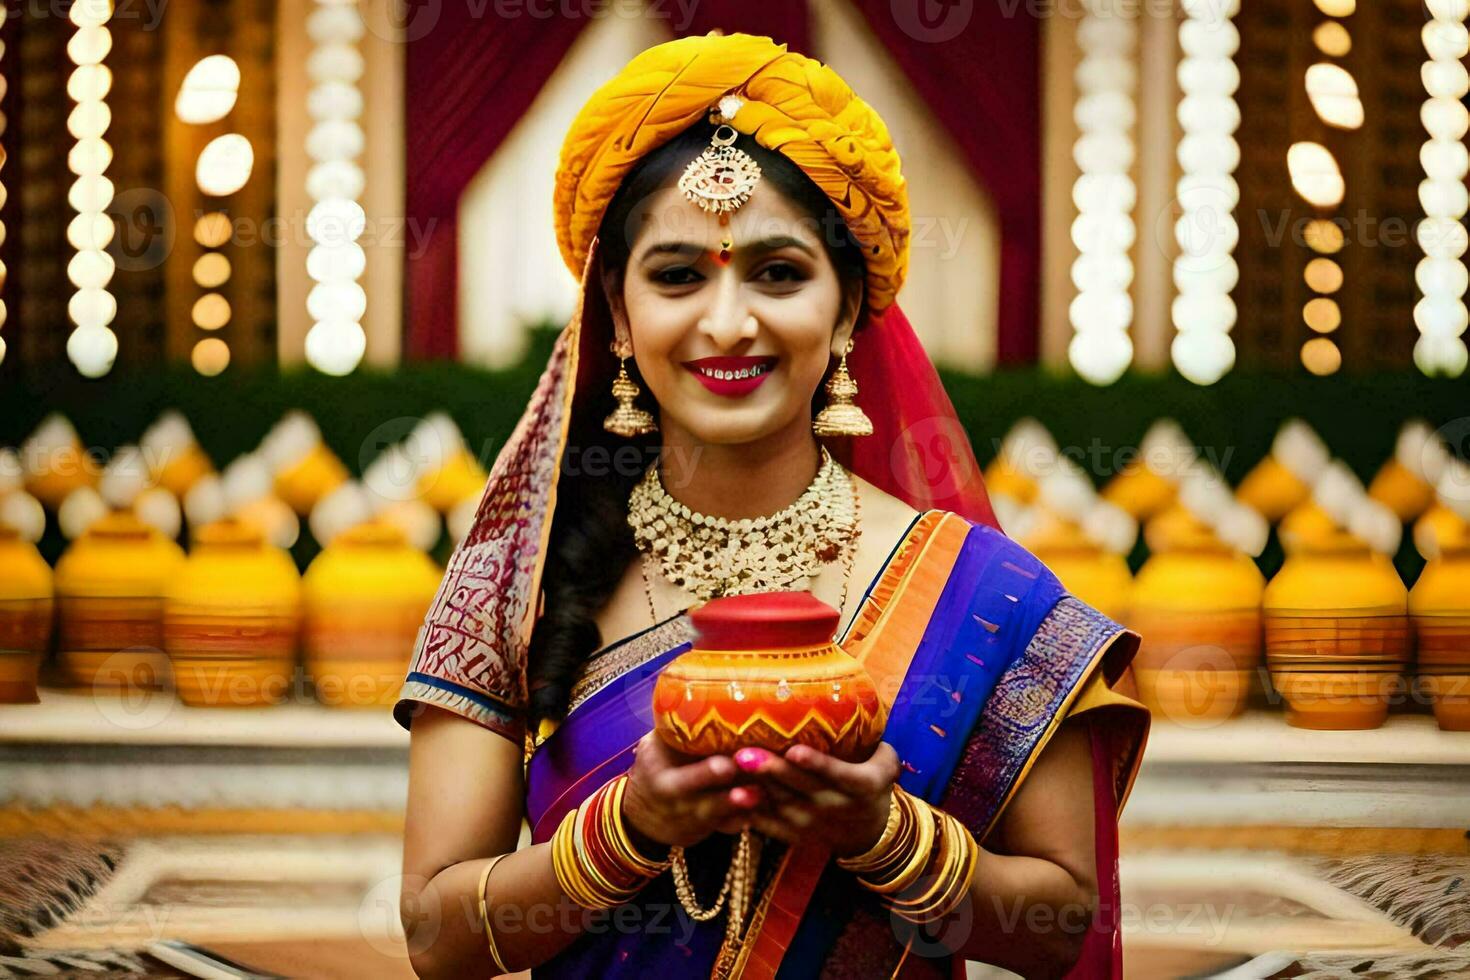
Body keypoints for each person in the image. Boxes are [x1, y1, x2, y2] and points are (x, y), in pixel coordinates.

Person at [394, 32, 1149, 980]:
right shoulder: (520, 581)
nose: (727, 321)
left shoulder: (982, 587)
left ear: (844, 310)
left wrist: (884, 836)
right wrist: (631, 828)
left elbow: (1067, 928)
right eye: (676, 276)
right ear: (618, 317)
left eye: (779, 273)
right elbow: (432, 934)